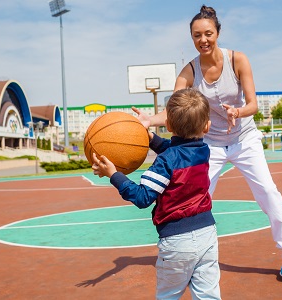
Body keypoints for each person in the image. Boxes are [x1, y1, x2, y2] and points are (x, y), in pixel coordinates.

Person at [132, 5, 282, 280]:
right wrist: (149, 120)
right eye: (197, 36)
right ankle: (189, 254)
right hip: (209, 144)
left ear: (218, 33)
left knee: (268, 193)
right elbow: (175, 111)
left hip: (244, 138)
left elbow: (253, 104)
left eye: (208, 34)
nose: (203, 40)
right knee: (195, 197)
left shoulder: (238, 60)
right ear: (192, 38)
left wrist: (238, 111)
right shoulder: (189, 72)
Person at [92, 88, 220, 299]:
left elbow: (142, 197)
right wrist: (148, 136)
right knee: (208, 296)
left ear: (168, 124)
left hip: (177, 241)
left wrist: (113, 174)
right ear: (207, 126)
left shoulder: (166, 161)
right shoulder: (203, 150)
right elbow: (176, 147)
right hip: (207, 234)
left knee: (168, 295)